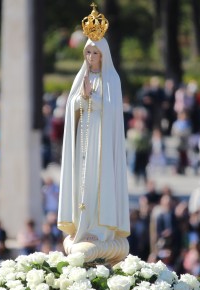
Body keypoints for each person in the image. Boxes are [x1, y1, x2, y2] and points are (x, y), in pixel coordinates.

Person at [57, 5, 130, 264]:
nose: (90, 57)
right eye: (87, 52)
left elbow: (112, 112)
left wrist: (94, 98)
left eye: (94, 53)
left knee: (99, 183)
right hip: (83, 144)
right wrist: (81, 99)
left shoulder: (112, 80)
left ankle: (100, 230)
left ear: (103, 55)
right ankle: (81, 228)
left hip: (102, 144)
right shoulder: (81, 79)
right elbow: (71, 110)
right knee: (82, 184)